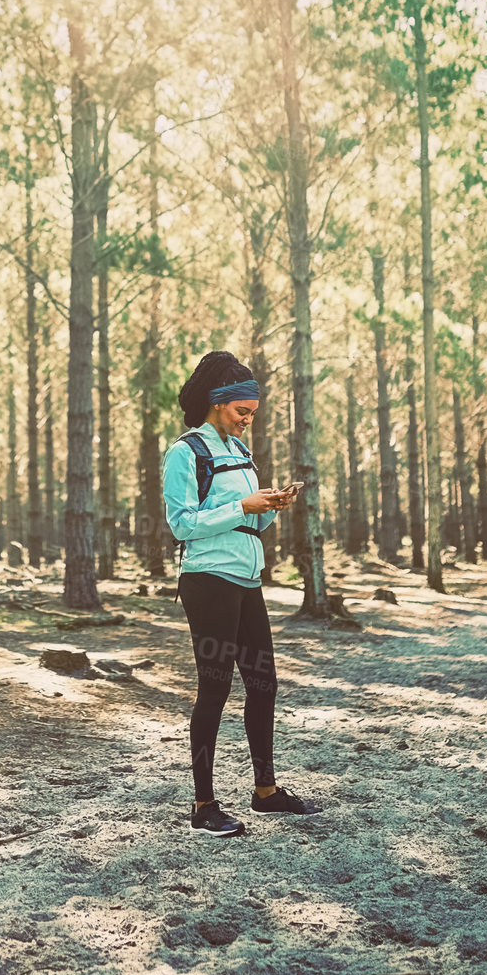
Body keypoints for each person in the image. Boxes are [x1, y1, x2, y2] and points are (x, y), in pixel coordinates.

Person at [163, 349, 320, 836]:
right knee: (214, 689)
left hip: (248, 578)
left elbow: (250, 519)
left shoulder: (242, 455)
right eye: (241, 412)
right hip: (208, 580)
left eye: (253, 414)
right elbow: (181, 524)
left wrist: (270, 505)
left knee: (264, 684)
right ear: (216, 404)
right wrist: (241, 505)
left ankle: (265, 792)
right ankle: (203, 806)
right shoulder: (185, 452)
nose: (248, 421)